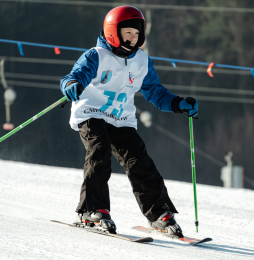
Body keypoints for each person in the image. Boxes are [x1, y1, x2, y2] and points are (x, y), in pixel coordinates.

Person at [60, 5, 198, 237]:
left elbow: (155, 92)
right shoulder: (97, 55)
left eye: (137, 34)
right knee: (99, 151)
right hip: (92, 113)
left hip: (121, 119)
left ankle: (159, 215)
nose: (133, 39)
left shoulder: (141, 62)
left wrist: (178, 104)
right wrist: (71, 85)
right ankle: (92, 210)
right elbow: (74, 76)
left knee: (140, 161)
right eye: (128, 33)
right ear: (114, 31)